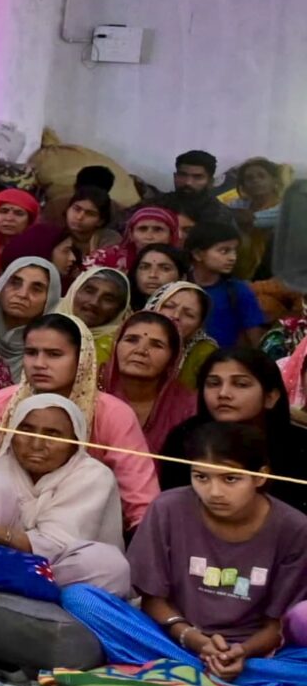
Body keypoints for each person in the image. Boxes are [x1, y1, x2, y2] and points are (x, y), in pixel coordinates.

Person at [61, 424, 307, 686]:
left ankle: (189, 673)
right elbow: (153, 601)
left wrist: (240, 653)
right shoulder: (168, 508)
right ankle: (217, 677)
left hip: (255, 654)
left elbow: (277, 626)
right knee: (79, 598)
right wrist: (196, 641)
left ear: (260, 477)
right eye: (201, 477)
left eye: (230, 479)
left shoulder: (294, 528)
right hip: (172, 638)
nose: (214, 492)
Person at [0, 311, 155, 525]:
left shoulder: (112, 413)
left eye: (54, 354)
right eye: (31, 352)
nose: (39, 363)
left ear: (82, 357)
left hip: (79, 526)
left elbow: (141, 501)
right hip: (2, 523)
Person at [0, 395, 132, 594]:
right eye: (26, 430)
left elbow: (53, 547)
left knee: (110, 565)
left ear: (75, 443)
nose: (36, 445)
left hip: (57, 572)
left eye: (52, 434)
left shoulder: (93, 476)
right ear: (11, 434)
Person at [157, 348, 307, 514]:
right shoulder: (184, 439)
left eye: (241, 384)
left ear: (270, 397)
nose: (223, 394)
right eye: (213, 384)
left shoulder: (299, 447)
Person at [102, 309, 198, 455]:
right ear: (115, 346)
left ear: (172, 359)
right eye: (131, 340)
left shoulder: (188, 407)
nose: (141, 350)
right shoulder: (89, 392)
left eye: (156, 345)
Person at [0, 255, 55, 395]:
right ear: (1, 285)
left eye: (37, 288)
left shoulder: (55, 345)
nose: (23, 294)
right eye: (15, 283)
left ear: (50, 299)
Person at [184, 217, 267, 351]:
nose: (232, 257)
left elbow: (257, 341)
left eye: (234, 251)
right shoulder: (178, 288)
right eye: (224, 251)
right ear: (198, 254)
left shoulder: (238, 291)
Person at [59, 265, 131, 367]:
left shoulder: (120, 349)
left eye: (108, 299)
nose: (94, 302)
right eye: (89, 291)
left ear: (120, 309)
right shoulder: (40, 327)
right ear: (74, 290)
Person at [0, 188, 40, 282]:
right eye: (3, 211)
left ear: (30, 221)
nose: (9, 218)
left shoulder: (38, 251)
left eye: (19, 213)